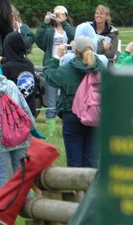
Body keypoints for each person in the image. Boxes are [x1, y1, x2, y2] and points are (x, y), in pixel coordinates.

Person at [43, 36, 106, 168]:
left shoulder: (68, 69)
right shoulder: (100, 67)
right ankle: (91, 188)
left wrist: (55, 57)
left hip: (72, 115)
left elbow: (49, 76)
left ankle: (73, 189)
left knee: (74, 164)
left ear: (75, 51)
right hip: (94, 116)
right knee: (91, 163)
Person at [0, 56, 36, 191]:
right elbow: (24, 107)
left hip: (0, 138)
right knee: (21, 171)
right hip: (20, 133)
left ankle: (1, 206)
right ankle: (25, 203)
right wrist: (32, 127)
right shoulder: (11, 85)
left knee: (1, 173)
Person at [34, 6, 75, 135]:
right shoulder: (50, 31)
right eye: (55, 14)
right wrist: (45, 23)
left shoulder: (69, 30)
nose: (57, 16)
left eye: (61, 14)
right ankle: (51, 132)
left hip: (67, 68)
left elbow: (74, 36)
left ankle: (67, 130)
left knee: (67, 99)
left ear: (66, 16)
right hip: (52, 67)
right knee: (51, 100)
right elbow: (38, 40)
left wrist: (63, 22)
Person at [0, 31, 39, 118]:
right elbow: (13, 62)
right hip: (30, 111)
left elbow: (0, 92)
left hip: (15, 114)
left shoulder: (7, 68)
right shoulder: (29, 64)